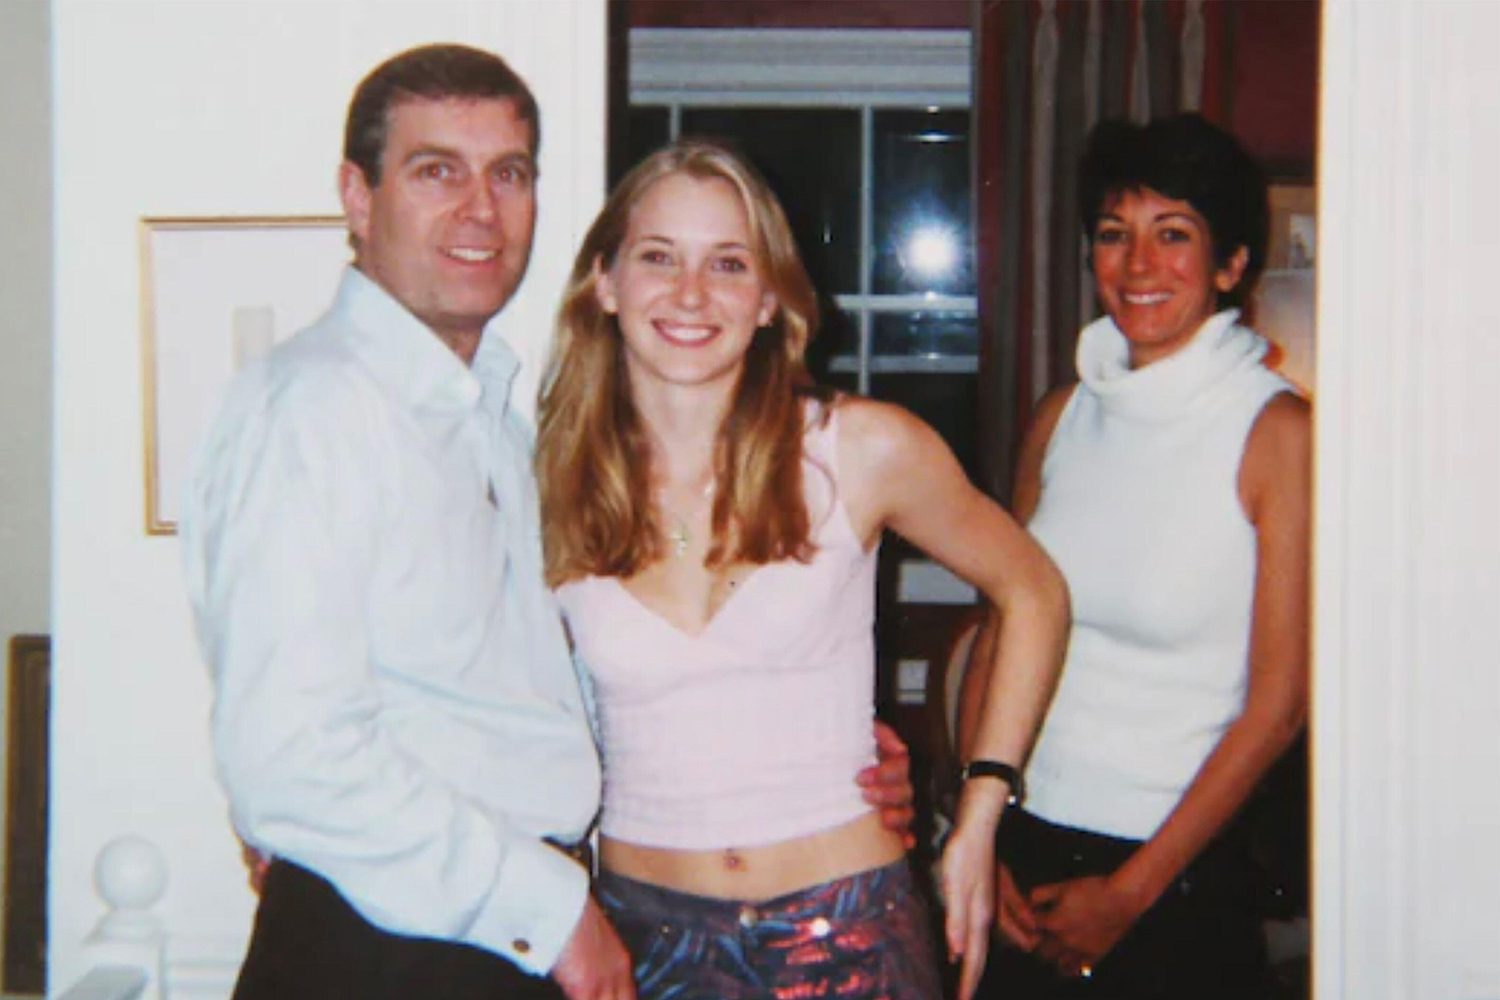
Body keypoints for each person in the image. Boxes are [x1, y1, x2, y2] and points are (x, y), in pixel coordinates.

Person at [181, 45, 913, 1000]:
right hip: (394, 940)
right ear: (357, 197)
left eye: (509, 174)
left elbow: (537, 695)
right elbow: (290, 759)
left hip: (508, 933)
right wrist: (553, 909)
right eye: (436, 170)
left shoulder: (504, 427)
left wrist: (800, 747)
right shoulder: (312, 409)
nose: (480, 209)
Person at [535, 139, 1070, 1000]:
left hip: (849, 931)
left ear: (768, 300)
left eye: (729, 263)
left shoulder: (860, 448)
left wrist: (979, 815)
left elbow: (1033, 588)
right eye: (659, 257)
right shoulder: (548, 482)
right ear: (605, 282)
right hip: (640, 941)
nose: (690, 293)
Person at [960, 113, 1311, 999]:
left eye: (1174, 234)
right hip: (1022, 847)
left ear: (1232, 264)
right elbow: (999, 635)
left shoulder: (1278, 434)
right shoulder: (1060, 417)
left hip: (1175, 875)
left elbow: (1279, 706)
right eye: (1114, 234)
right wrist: (977, 830)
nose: (1138, 264)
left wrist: (1130, 894)